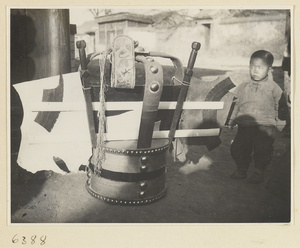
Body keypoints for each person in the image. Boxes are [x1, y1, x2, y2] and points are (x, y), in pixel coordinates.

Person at [227, 50, 283, 184]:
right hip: (245, 125)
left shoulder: (274, 88)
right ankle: (242, 168)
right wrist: (231, 120)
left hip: (265, 126)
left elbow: (280, 107)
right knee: (238, 148)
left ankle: (259, 171)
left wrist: (280, 123)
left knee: (263, 150)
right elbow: (235, 104)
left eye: (260, 68)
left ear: (269, 69)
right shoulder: (243, 86)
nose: (255, 71)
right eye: (252, 67)